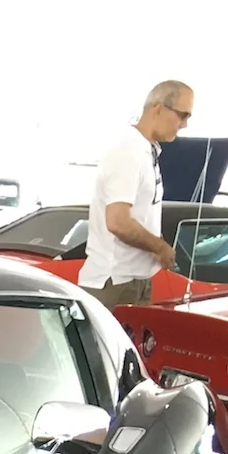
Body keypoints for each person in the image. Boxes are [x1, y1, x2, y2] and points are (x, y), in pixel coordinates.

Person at [80, 80, 193, 309]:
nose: (184, 125)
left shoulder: (145, 151)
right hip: (114, 281)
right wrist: (159, 247)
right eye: (182, 115)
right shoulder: (128, 152)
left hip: (134, 279)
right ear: (158, 108)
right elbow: (118, 221)